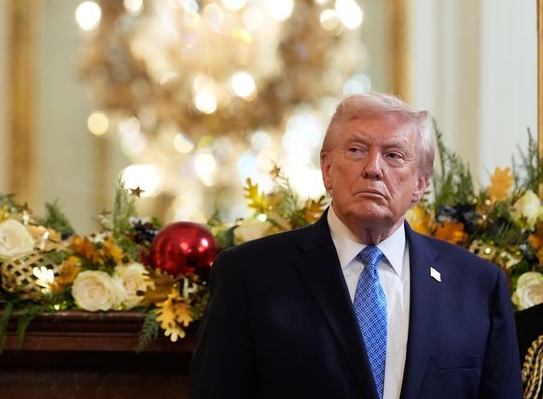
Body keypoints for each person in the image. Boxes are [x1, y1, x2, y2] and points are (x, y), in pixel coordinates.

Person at [189, 93, 522, 399]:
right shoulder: (250, 275)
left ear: (420, 183)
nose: (373, 169)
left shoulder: (477, 285)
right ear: (327, 169)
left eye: (394, 155)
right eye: (356, 150)